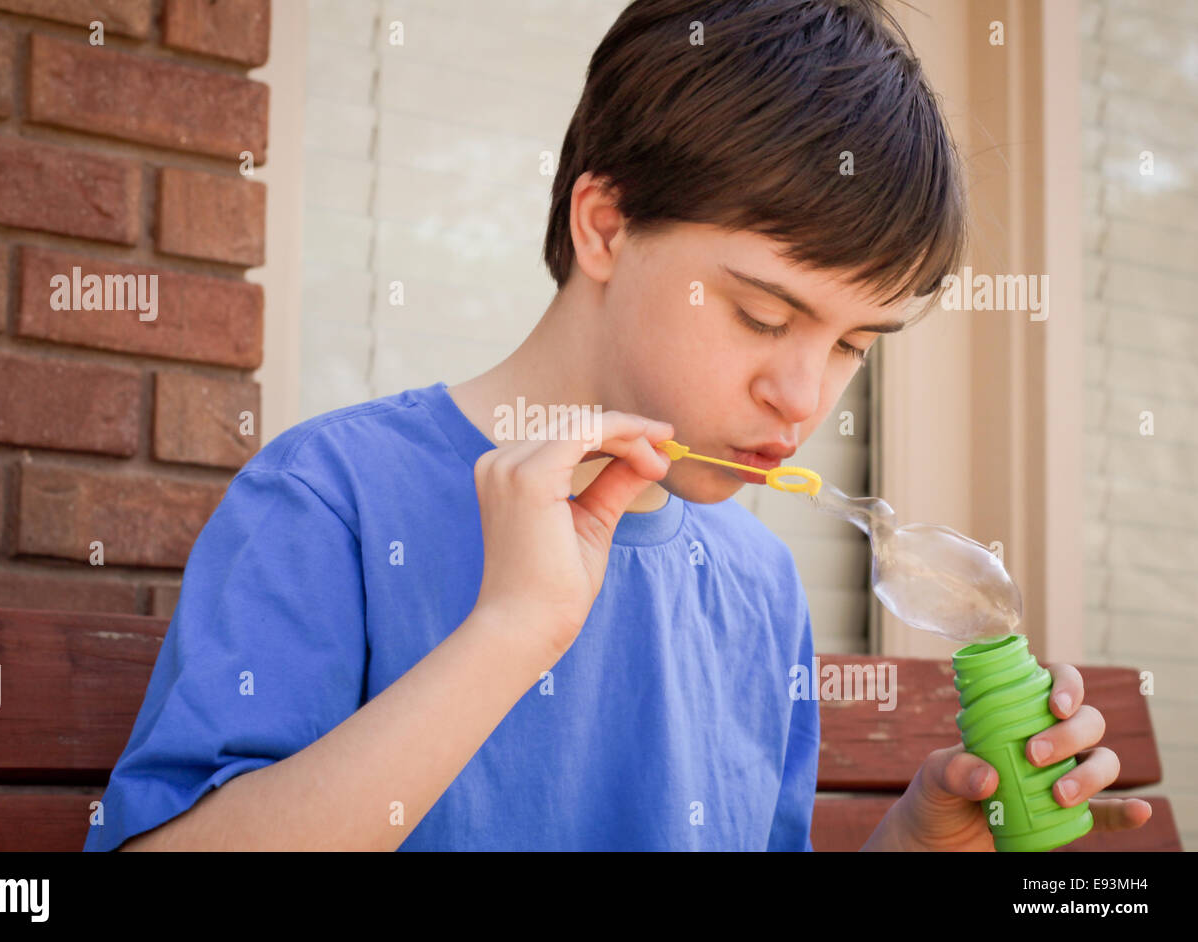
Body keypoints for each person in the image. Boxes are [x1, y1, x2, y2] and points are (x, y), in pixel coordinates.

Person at [85, 0, 1151, 851]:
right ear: (604, 226)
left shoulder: (756, 583)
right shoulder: (334, 498)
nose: (804, 397)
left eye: (850, 346)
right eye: (763, 315)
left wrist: (915, 842)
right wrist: (510, 633)